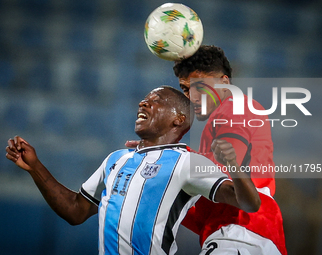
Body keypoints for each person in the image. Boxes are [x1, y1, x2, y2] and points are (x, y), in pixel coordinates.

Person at [6, 85, 260, 255]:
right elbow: (75, 210)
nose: (143, 103)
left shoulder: (186, 162)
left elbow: (248, 203)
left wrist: (235, 168)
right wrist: (36, 168)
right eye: (144, 100)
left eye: (156, 101)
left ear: (178, 119)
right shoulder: (115, 159)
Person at [172, 45, 287, 254]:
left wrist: (170, 156)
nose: (192, 97)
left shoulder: (234, 108)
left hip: (239, 227)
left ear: (225, 82)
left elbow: (220, 172)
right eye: (186, 89)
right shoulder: (222, 119)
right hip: (251, 229)